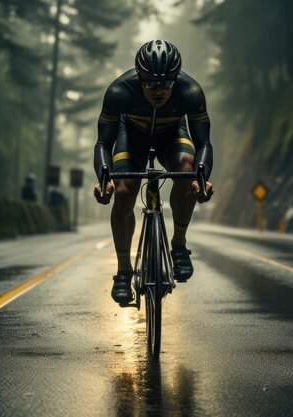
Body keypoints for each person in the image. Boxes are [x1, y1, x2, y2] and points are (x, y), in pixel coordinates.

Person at [93, 40, 214, 304]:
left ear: (176, 79)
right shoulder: (119, 91)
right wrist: (104, 179)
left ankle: (179, 245)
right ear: (139, 78)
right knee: (124, 192)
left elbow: (204, 144)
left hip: (171, 135)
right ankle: (124, 271)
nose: (158, 90)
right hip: (131, 136)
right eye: (150, 83)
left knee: (187, 171)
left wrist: (202, 179)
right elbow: (103, 143)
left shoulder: (191, 92)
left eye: (167, 83)